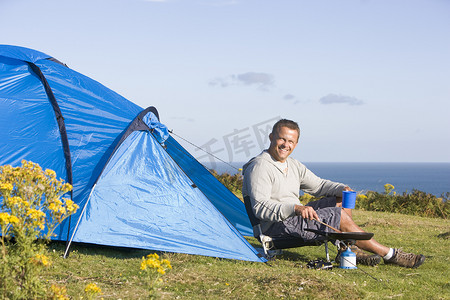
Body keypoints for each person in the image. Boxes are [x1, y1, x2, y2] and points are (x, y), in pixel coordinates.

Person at [242, 119, 425, 268]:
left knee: (340, 199)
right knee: (337, 216)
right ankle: (390, 254)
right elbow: (261, 208)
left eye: (291, 141)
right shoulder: (260, 166)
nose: (285, 145)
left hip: (292, 218)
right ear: (271, 137)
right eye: (282, 139)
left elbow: (318, 185)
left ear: (296, 144)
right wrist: (295, 208)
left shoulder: (293, 165)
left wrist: (342, 189)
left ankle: (347, 248)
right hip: (274, 228)